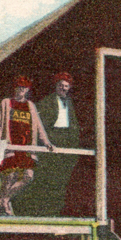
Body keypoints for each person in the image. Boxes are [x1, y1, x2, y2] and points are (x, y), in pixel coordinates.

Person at [14, 71, 81, 216]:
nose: (63, 88)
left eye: (66, 86)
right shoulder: (47, 102)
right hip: (51, 139)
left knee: (60, 179)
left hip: (65, 141)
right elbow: (39, 125)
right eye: (61, 85)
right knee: (45, 178)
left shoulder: (69, 102)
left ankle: (55, 209)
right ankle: (34, 209)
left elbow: (73, 125)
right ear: (56, 86)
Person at [0, 76, 53, 216]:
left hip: (26, 148)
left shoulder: (30, 105)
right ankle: (4, 205)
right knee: (10, 176)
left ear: (27, 90)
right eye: (19, 87)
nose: (21, 90)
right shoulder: (6, 103)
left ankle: (4, 199)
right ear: (14, 88)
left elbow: (38, 126)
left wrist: (46, 142)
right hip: (10, 147)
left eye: (24, 88)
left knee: (28, 176)